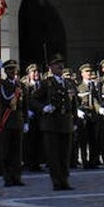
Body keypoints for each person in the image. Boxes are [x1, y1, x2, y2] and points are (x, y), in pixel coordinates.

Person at [33, 55, 76, 190]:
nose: (60, 67)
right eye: (57, 65)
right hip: (52, 123)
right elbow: (33, 99)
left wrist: (75, 120)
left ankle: (65, 180)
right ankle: (57, 182)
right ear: (51, 68)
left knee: (65, 155)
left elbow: (73, 103)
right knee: (54, 156)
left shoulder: (68, 83)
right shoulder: (47, 83)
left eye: (61, 64)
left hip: (65, 122)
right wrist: (44, 108)